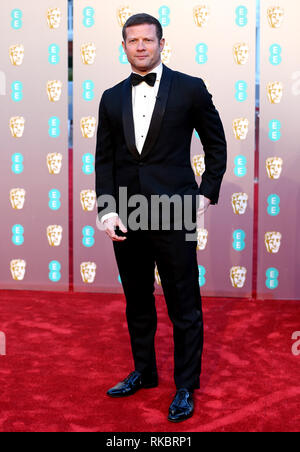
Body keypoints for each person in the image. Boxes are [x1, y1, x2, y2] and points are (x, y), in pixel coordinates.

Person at [95, 13, 227, 423]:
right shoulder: (111, 97)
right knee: (137, 301)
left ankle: (185, 386)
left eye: (147, 40)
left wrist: (205, 193)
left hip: (174, 211)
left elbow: (216, 144)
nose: (140, 46)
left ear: (161, 43)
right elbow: (105, 159)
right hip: (129, 213)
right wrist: (107, 209)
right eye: (132, 40)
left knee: (183, 305)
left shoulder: (189, 88)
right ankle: (144, 372)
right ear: (124, 46)